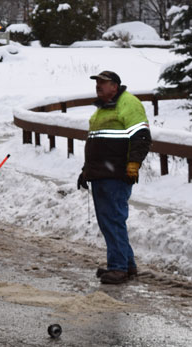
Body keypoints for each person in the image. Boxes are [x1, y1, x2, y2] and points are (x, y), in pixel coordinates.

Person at [76, 70, 151, 285]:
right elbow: (96, 145)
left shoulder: (129, 104)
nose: (98, 86)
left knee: (113, 220)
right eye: (97, 82)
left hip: (116, 174)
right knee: (111, 221)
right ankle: (126, 264)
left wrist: (134, 163)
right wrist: (86, 171)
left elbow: (142, 137)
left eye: (103, 83)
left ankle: (118, 268)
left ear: (115, 86)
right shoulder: (101, 110)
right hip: (101, 174)